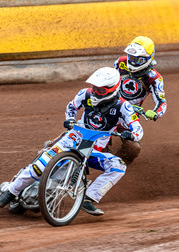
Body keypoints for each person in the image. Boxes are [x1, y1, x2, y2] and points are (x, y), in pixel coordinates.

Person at [0, 67, 143, 216]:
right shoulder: (85, 93)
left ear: (112, 89)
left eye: (100, 90)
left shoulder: (123, 106)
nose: (95, 92)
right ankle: (10, 192)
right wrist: (70, 119)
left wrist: (132, 135)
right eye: (94, 87)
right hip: (72, 140)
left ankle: (89, 198)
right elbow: (71, 107)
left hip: (93, 151)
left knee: (118, 166)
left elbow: (138, 129)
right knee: (39, 166)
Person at [111, 36, 167, 163]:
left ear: (147, 59)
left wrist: (156, 113)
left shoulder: (154, 78)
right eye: (131, 57)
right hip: (110, 105)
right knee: (90, 129)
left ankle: (116, 165)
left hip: (128, 115)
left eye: (137, 59)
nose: (132, 61)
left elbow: (162, 102)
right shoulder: (121, 62)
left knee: (133, 149)